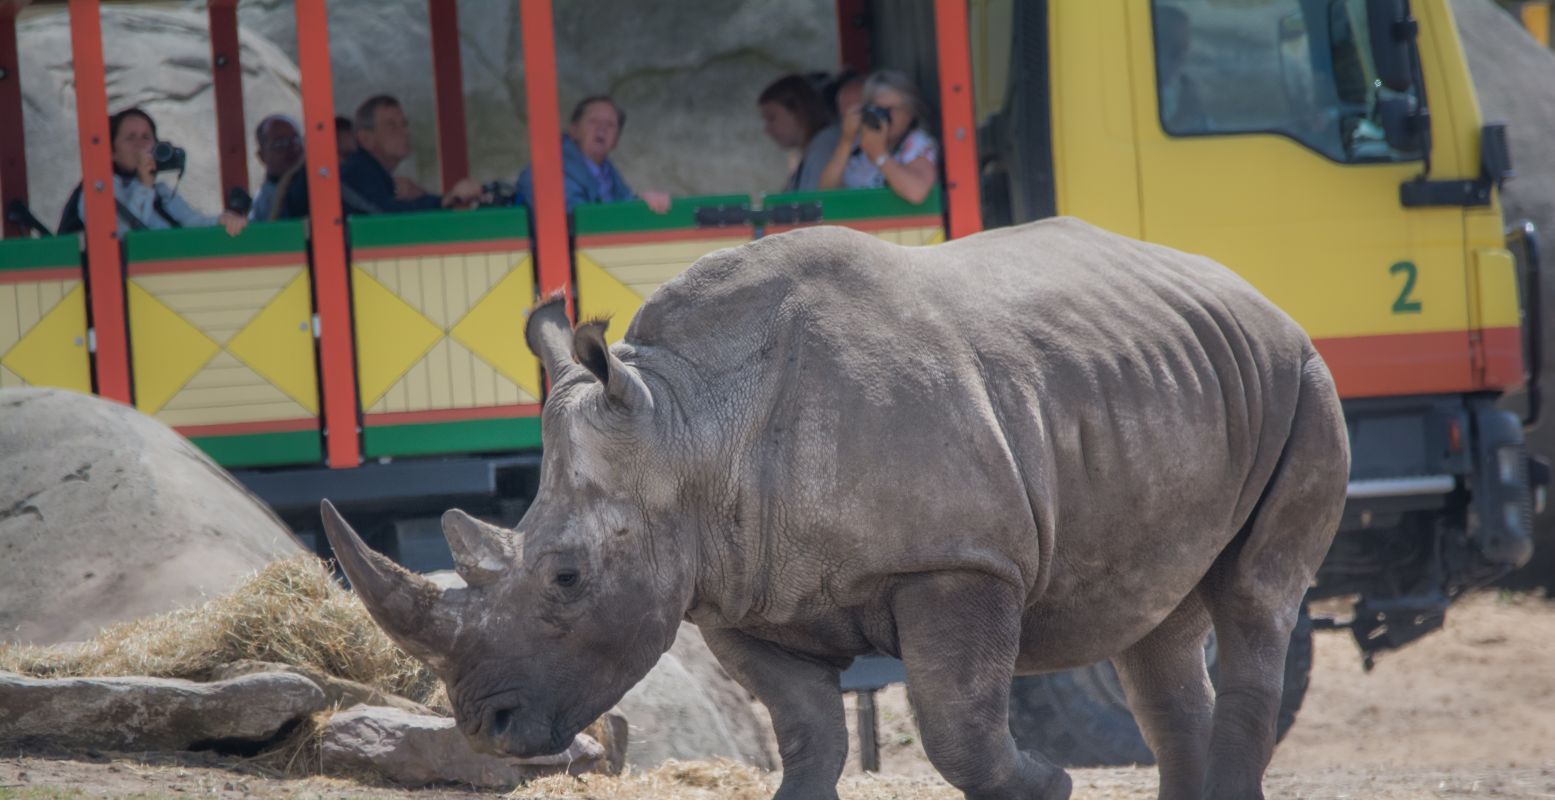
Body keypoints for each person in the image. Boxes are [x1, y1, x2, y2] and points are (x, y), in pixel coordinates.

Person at [282, 95, 481, 217]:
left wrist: (424, 198)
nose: (404, 131)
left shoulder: (374, 173)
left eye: (404, 124)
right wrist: (441, 202)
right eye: (391, 125)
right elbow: (382, 216)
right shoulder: (356, 171)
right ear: (365, 139)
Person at [57, 107, 246, 236]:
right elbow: (122, 236)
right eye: (130, 138)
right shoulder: (97, 189)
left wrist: (222, 220)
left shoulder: (162, 192)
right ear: (112, 152)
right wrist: (144, 187)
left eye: (146, 137)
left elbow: (191, 222)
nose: (140, 144)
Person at [516, 96, 671, 213]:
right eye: (593, 121)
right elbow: (576, 220)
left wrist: (644, 203)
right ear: (574, 130)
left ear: (616, 140)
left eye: (610, 124)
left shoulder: (607, 172)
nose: (601, 129)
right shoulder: (545, 171)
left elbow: (622, 208)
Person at [817, 69, 938, 204]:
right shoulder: (859, 143)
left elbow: (916, 192)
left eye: (890, 110)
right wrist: (846, 141)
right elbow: (825, 193)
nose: (884, 118)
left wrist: (879, 155)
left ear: (910, 112)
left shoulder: (917, 143)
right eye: (878, 110)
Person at [757, 74, 838, 192]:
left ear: (797, 111)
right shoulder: (816, 147)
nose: (767, 129)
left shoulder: (823, 149)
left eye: (772, 118)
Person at [1156, 5, 1207, 132]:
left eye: (1185, 49)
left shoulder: (1178, 91)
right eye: (1174, 52)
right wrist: (1183, 116)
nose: (1181, 59)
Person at [250, 114, 302, 221]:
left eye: (296, 139)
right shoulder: (265, 199)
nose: (292, 148)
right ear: (262, 155)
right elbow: (271, 233)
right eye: (280, 143)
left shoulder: (313, 183)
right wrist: (288, 177)